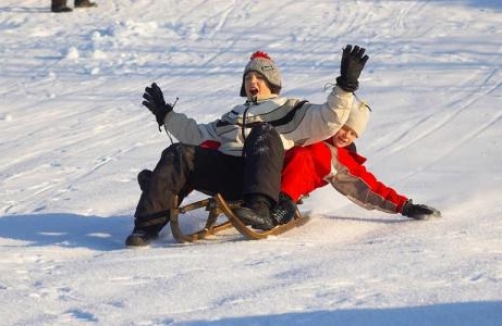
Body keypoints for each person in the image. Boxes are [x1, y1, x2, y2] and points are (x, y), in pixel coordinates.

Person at [125, 45, 370, 247]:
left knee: (263, 132)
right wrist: (166, 114)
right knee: (179, 152)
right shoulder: (232, 114)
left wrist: (345, 87)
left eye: (259, 77)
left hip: (266, 177)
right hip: (230, 176)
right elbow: (197, 134)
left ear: (271, 82)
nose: (252, 81)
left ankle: (260, 209)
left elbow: (328, 119)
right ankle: (147, 225)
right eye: (248, 77)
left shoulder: (291, 108)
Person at [269, 100, 441, 225]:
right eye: (345, 128)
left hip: (284, 188)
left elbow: (368, 186)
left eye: (353, 134)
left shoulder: (338, 157)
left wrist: (405, 207)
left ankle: (285, 202)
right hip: (265, 166)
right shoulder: (312, 129)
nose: (347, 136)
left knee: (304, 153)